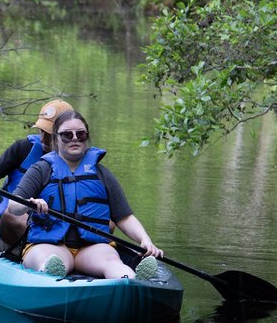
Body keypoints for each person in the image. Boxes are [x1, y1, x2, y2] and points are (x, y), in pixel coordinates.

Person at [9, 110, 162, 280]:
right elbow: (14, 207)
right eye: (67, 135)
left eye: (80, 134)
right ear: (56, 139)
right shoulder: (41, 170)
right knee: (50, 261)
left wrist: (145, 240)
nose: (74, 138)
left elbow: (124, 217)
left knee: (113, 263)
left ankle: (129, 280)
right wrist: (30, 203)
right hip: (49, 245)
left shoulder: (101, 174)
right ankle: (50, 274)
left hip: (91, 248)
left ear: (87, 137)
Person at [0, 99, 74, 246]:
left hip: (55, 225)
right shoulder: (23, 148)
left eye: (50, 134)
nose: (44, 138)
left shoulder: (77, 160)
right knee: (13, 214)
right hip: (15, 221)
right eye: (42, 131)